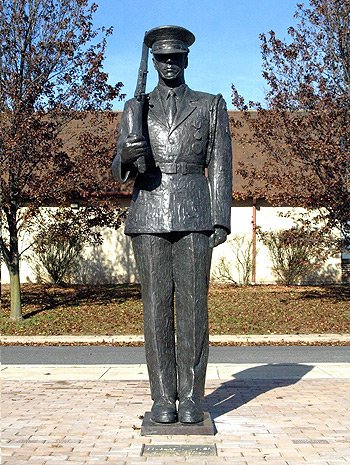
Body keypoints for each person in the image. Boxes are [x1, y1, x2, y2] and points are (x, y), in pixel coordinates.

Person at [112, 25, 232, 424]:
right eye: (162, 57)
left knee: (195, 309)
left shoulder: (209, 104)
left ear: (186, 59)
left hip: (195, 212)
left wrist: (221, 219)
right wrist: (128, 156)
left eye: (175, 57)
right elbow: (118, 170)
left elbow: (220, 163)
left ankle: (193, 398)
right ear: (156, 60)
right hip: (148, 210)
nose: (168, 64)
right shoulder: (136, 107)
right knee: (156, 310)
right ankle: (163, 397)